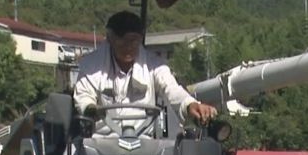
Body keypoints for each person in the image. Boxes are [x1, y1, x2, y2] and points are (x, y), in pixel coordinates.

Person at [74, 10, 217, 136]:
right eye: (124, 41)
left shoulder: (154, 65)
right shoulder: (91, 65)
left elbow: (172, 90)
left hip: (144, 142)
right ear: (110, 38)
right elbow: (84, 96)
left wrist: (190, 105)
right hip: (101, 141)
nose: (129, 47)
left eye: (134, 41)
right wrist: (90, 109)